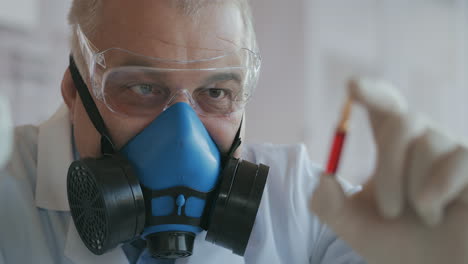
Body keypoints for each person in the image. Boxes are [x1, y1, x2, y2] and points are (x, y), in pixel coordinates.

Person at [1, 1, 468, 264]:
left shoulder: (301, 204)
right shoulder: (8, 193)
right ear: (73, 90)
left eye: (216, 93)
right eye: (143, 87)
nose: (183, 137)